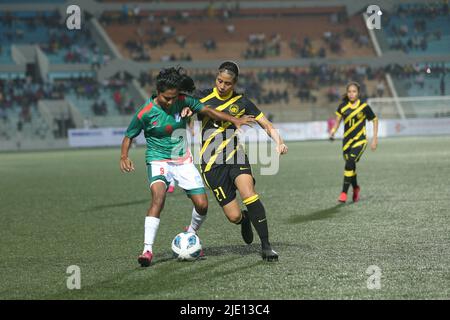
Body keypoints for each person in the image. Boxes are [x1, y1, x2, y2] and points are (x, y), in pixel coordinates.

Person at [120, 67, 254, 267]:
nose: (171, 102)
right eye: (167, 98)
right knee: (158, 197)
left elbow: (208, 110)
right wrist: (124, 155)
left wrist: (234, 119)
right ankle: (147, 250)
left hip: (183, 160)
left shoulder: (183, 101)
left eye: (174, 97)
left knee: (202, 204)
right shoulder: (146, 112)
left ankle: (190, 233)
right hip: (158, 160)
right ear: (158, 92)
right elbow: (129, 135)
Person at [188, 61, 288, 261]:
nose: (222, 86)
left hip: (236, 156)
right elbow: (184, 108)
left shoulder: (242, 102)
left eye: (227, 83)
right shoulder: (201, 97)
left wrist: (279, 142)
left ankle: (267, 246)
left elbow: (265, 124)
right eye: (219, 81)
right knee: (233, 216)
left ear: (234, 84)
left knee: (249, 193)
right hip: (211, 164)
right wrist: (185, 114)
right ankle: (244, 220)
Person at [329, 82, 378, 203]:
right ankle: (356, 188)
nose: (351, 94)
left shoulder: (364, 107)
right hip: (346, 142)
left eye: (354, 91)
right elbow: (337, 121)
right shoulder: (342, 107)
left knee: (350, 161)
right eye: (349, 92)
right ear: (347, 93)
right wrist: (333, 131)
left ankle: (344, 193)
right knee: (350, 166)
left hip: (360, 141)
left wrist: (375, 138)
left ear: (358, 93)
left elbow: (375, 120)